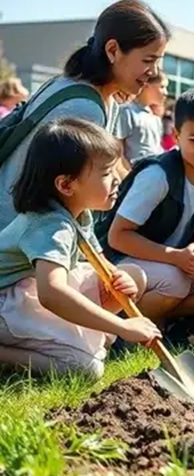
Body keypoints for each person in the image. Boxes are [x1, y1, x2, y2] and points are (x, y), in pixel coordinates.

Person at [0, 119, 159, 379]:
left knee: (133, 275)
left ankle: (78, 340)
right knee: (85, 369)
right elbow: (52, 294)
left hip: (27, 289)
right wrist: (122, 327)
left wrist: (118, 277)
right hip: (7, 304)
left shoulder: (78, 213)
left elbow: (99, 261)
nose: (118, 178)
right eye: (106, 173)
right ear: (66, 185)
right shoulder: (50, 226)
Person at [0, 0, 170, 232]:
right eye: (148, 60)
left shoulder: (69, 85)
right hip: (21, 240)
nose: (154, 73)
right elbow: (72, 197)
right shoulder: (85, 109)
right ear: (113, 50)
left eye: (158, 62)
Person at [98, 88, 194, 327]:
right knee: (174, 282)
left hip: (173, 262)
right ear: (177, 135)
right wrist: (176, 257)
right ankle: (118, 329)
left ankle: (163, 323)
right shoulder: (158, 175)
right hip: (121, 261)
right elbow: (117, 236)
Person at [116, 70, 167, 171]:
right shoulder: (127, 112)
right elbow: (117, 151)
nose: (166, 92)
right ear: (146, 85)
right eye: (162, 87)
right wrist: (128, 177)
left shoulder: (155, 119)